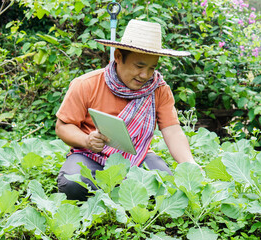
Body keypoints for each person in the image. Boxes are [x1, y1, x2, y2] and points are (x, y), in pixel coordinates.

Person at [56, 19, 200, 201]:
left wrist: (190, 164)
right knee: (73, 184)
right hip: (90, 155)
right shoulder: (86, 84)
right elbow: (63, 127)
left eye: (152, 68)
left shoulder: (158, 89)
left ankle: (123, 193)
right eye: (139, 66)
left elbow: (172, 130)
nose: (145, 75)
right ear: (118, 57)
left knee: (165, 185)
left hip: (138, 156)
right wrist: (87, 140)